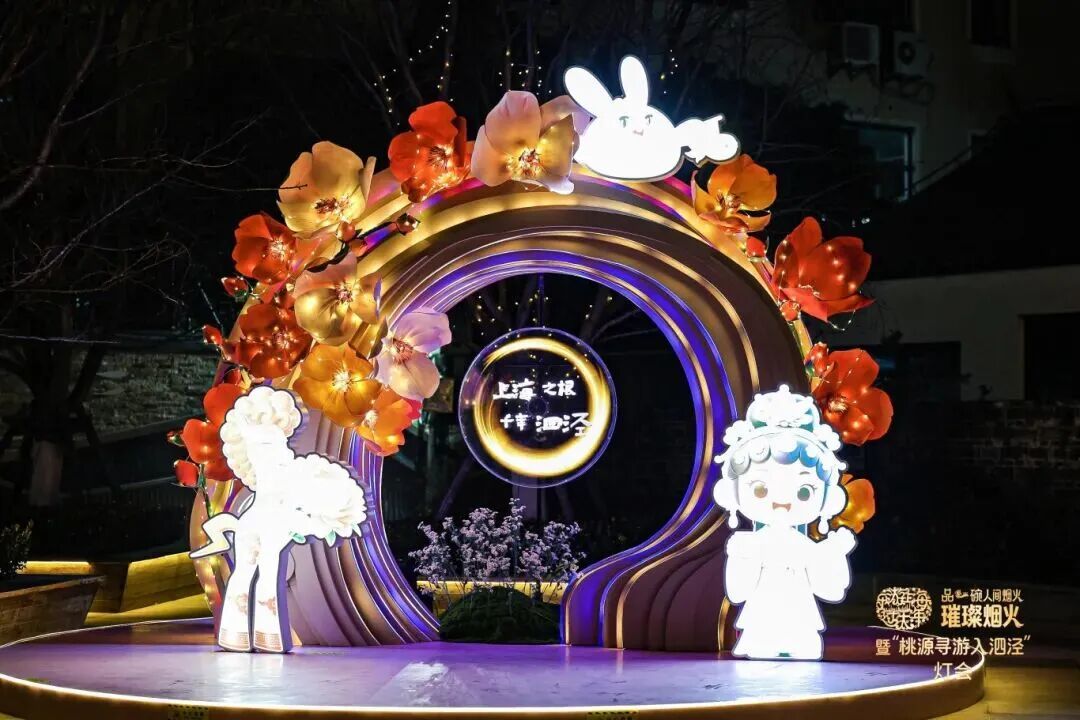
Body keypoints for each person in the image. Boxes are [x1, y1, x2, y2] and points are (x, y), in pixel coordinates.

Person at [712, 385, 856, 660]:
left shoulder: (806, 547)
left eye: (803, 492)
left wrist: (833, 553)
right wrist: (743, 556)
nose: (782, 501)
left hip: (800, 622)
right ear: (734, 492)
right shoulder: (748, 544)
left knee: (801, 653)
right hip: (761, 624)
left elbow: (829, 589)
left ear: (826, 497)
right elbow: (738, 592)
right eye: (760, 489)